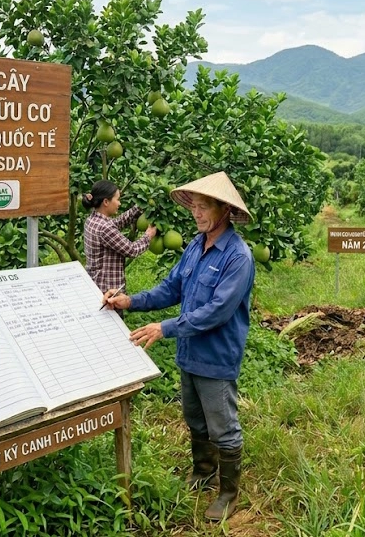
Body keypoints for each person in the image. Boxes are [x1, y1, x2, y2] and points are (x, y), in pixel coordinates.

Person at [105, 171, 255, 522]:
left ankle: (229, 493)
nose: (197, 213)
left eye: (204, 207)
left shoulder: (238, 257)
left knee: (222, 425)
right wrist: (131, 301)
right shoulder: (194, 246)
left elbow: (217, 312)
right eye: (195, 207)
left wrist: (166, 327)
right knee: (194, 418)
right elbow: (171, 288)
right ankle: (203, 472)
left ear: (224, 211)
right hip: (189, 354)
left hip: (216, 356)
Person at [82, 180, 156, 293]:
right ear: (106, 202)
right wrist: (148, 235)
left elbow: (116, 223)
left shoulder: (92, 220)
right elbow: (132, 250)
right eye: (117, 199)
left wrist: (139, 207)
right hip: (108, 291)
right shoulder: (105, 228)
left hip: (95, 285)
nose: (119, 203)